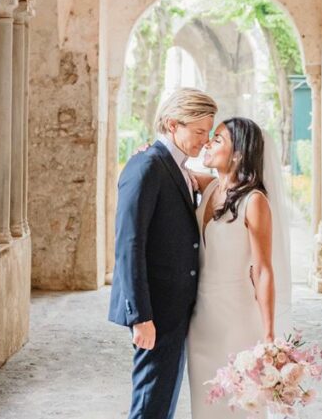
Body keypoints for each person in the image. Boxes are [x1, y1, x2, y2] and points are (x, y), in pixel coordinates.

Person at [109, 88, 218, 419]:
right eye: (199, 132)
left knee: (163, 397)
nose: (205, 140)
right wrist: (140, 316)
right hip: (154, 307)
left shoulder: (179, 167)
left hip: (175, 305)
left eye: (209, 133)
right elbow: (129, 245)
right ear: (173, 125)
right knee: (150, 399)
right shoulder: (146, 166)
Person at [186, 117, 293, 419]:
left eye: (217, 139)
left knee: (239, 406)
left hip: (238, 322)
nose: (207, 142)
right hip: (201, 322)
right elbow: (172, 168)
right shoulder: (209, 190)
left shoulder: (255, 201)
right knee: (205, 407)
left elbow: (263, 270)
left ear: (237, 154)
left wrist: (270, 336)